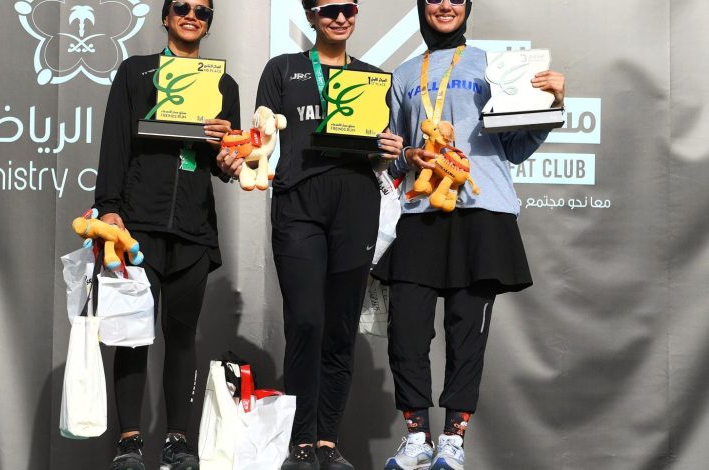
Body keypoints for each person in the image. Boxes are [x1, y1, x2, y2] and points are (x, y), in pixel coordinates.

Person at [373, 1, 566, 469]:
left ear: (467, 7)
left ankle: (453, 440)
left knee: (466, 336)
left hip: (482, 211)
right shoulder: (402, 75)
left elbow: (515, 147)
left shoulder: (495, 67)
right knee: (406, 332)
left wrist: (554, 104)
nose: (445, 5)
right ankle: (416, 437)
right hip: (420, 211)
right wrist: (406, 156)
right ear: (421, 7)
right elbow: (391, 156)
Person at [216, 1, 403, 469]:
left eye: (348, 8)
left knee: (340, 327)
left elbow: (379, 154)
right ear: (311, 15)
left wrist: (389, 150)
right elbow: (262, 137)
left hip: (356, 206)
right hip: (299, 205)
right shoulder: (283, 69)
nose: (340, 18)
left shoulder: (373, 78)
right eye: (329, 9)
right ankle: (301, 440)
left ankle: (326, 442)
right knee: (305, 321)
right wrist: (244, 150)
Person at [94, 1, 240, 469]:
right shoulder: (137, 72)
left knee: (182, 335)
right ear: (165, 16)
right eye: (182, 6)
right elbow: (115, 140)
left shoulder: (224, 85)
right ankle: (129, 442)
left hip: (193, 228)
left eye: (202, 10)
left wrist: (227, 150)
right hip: (138, 223)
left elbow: (227, 167)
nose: (191, 14)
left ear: (208, 23)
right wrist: (110, 208)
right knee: (132, 333)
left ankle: (178, 441)